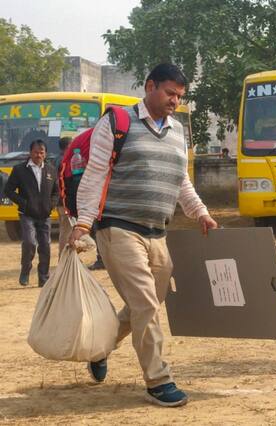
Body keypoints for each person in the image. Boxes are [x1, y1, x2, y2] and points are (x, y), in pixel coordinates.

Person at [68, 63, 218, 407]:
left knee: (146, 303)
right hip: (119, 228)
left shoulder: (178, 131)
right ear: (150, 87)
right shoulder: (117, 122)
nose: (175, 101)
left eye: (179, 96)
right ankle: (158, 380)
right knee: (146, 303)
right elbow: (95, 174)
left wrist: (200, 212)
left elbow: (180, 179)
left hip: (158, 232)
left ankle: (101, 347)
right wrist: (84, 222)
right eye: (169, 93)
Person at [4, 140, 58, 287]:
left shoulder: (51, 170)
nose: (38, 155)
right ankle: (25, 270)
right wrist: (24, 203)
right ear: (30, 153)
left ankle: (43, 277)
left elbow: (56, 192)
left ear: (45, 153)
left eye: (41, 152)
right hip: (27, 214)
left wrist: (51, 205)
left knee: (45, 246)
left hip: (45, 215)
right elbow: (8, 190)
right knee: (29, 242)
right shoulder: (19, 170)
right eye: (35, 152)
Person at [55, 136, 72, 257]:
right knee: (67, 231)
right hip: (65, 201)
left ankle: (67, 257)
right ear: (68, 147)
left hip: (60, 201)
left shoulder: (57, 159)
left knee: (65, 229)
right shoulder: (64, 161)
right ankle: (64, 258)